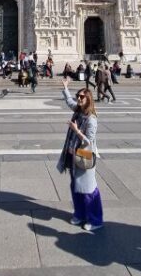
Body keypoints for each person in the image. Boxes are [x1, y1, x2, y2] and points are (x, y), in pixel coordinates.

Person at [57, 76, 103, 231]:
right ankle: (80, 214)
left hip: (85, 156)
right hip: (72, 156)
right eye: (78, 96)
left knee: (88, 190)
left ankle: (95, 220)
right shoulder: (78, 111)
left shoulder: (91, 119)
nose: (78, 98)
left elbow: (88, 141)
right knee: (76, 186)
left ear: (88, 99)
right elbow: (70, 102)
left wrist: (76, 130)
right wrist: (65, 87)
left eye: (81, 97)